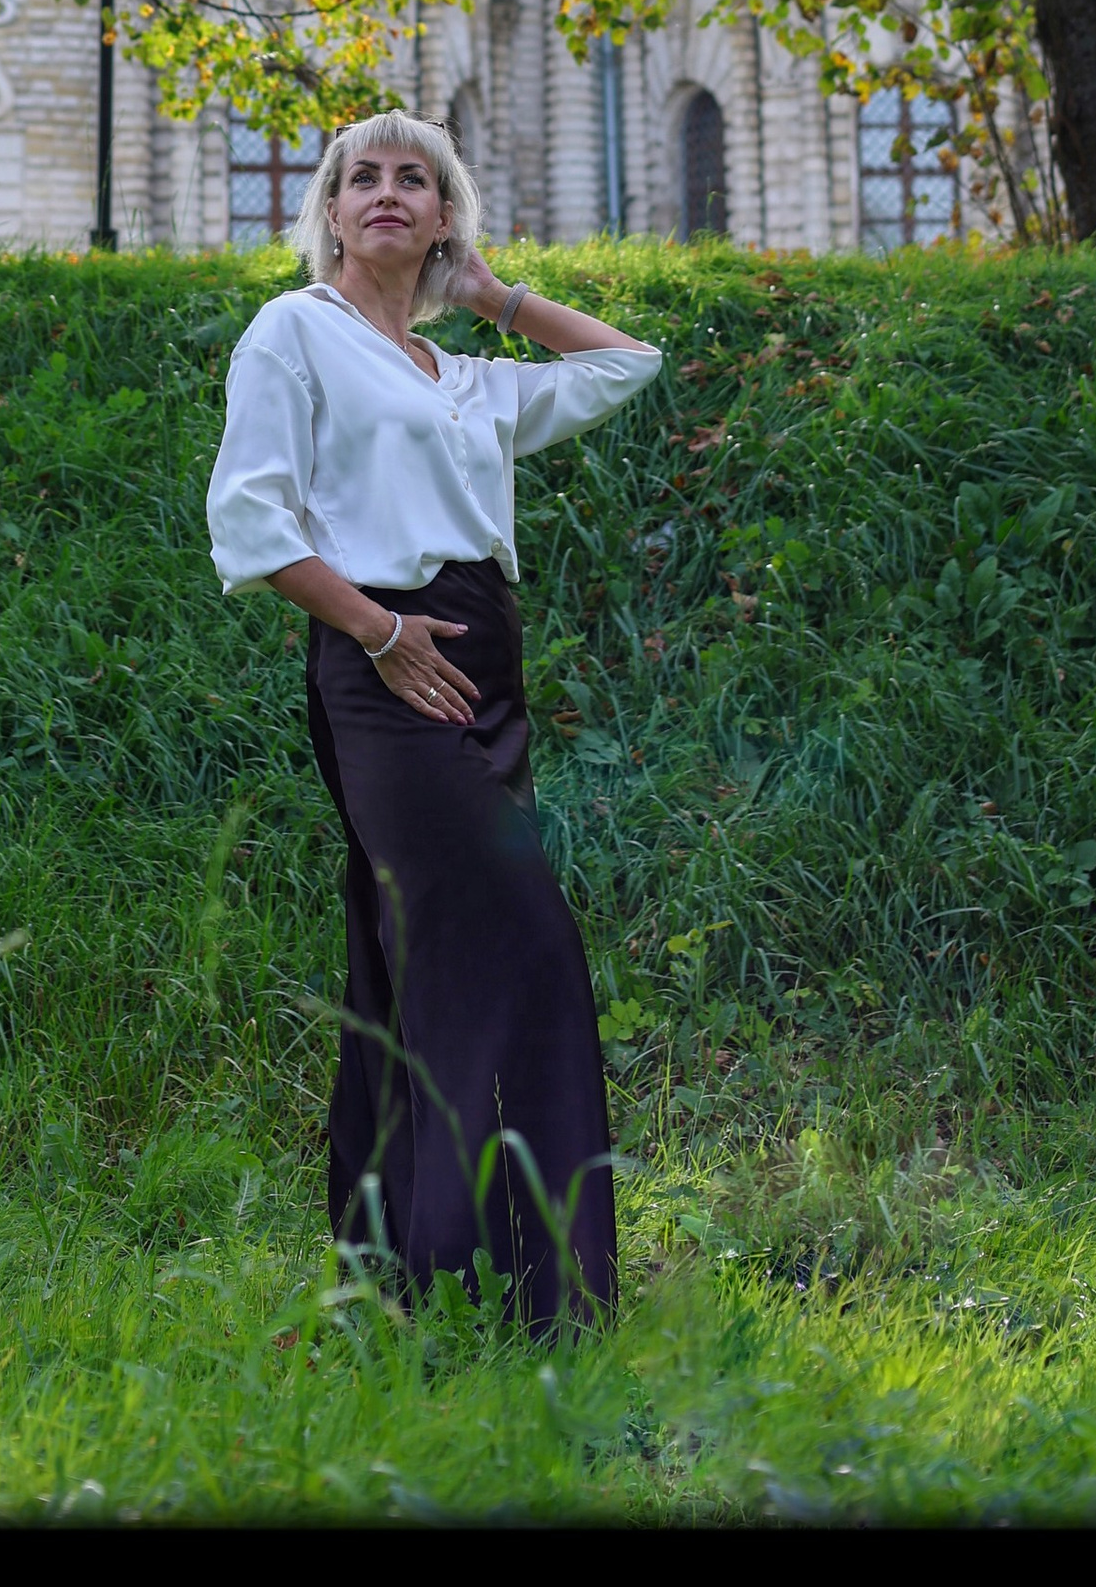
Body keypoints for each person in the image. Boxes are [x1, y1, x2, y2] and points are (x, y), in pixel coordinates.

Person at [205, 108, 662, 1330]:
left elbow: (626, 364)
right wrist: (379, 634)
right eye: (365, 178)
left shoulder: (464, 381)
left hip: (482, 672)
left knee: (417, 965)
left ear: (446, 218)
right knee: (523, 944)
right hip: (381, 663)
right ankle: (519, 1281)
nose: (390, 193)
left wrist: (495, 296)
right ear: (332, 214)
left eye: (419, 180)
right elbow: (252, 529)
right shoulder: (293, 333)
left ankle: (418, 1277)